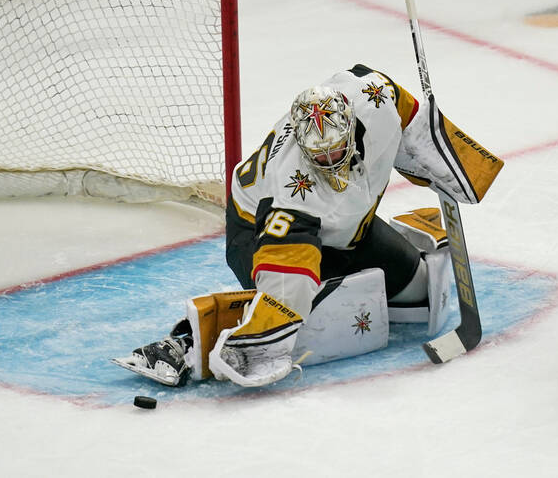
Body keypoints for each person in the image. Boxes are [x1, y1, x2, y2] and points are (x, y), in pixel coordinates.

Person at [114, 64, 502, 387]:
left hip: (348, 227)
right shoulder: (292, 185)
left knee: (415, 294)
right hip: (258, 228)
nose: (331, 159)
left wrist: (456, 165)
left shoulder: (375, 97)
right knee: (311, 316)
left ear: (350, 122)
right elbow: (288, 280)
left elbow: (416, 123)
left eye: (336, 147)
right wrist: (264, 346)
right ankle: (187, 339)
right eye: (320, 154)